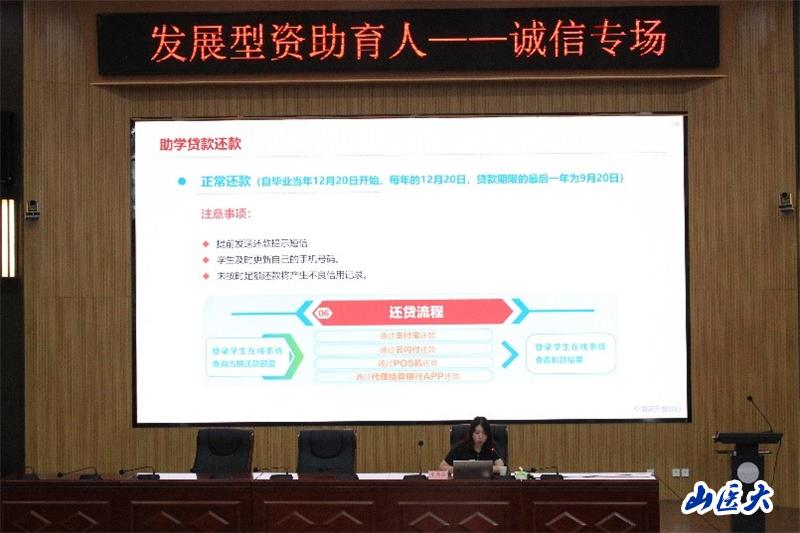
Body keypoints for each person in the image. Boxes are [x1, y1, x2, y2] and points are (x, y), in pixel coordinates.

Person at [439, 416, 504, 475]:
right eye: (477, 433)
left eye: (484, 433)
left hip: (486, 483)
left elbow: (501, 467)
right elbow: (442, 467)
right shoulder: (460, 447)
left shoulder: (491, 447)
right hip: (464, 483)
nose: (480, 436)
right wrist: (461, 470)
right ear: (471, 433)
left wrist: (480, 469)